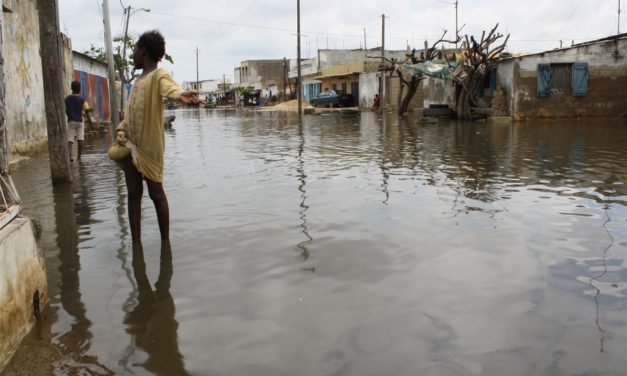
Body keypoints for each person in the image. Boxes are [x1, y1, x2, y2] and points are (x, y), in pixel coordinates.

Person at [116, 30, 201, 242]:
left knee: (156, 194)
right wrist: (121, 129)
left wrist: (181, 94)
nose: (133, 54)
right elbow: (130, 112)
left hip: (150, 147)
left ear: (143, 50)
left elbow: (170, 87)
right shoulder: (137, 81)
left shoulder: (158, 75)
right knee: (133, 194)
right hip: (131, 145)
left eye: (135, 50)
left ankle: (166, 244)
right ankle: (136, 244)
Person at [64, 81, 91, 162]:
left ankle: (70, 156)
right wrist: (90, 122)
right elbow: (87, 111)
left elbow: (65, 110)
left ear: (71, 88)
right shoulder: (83, 99)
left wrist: (69, 115)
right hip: (80, 121)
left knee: (70, 139)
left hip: (71, 121)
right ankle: (79, 157)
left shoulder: (67, 99)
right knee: (80, 139)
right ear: (79, 89)